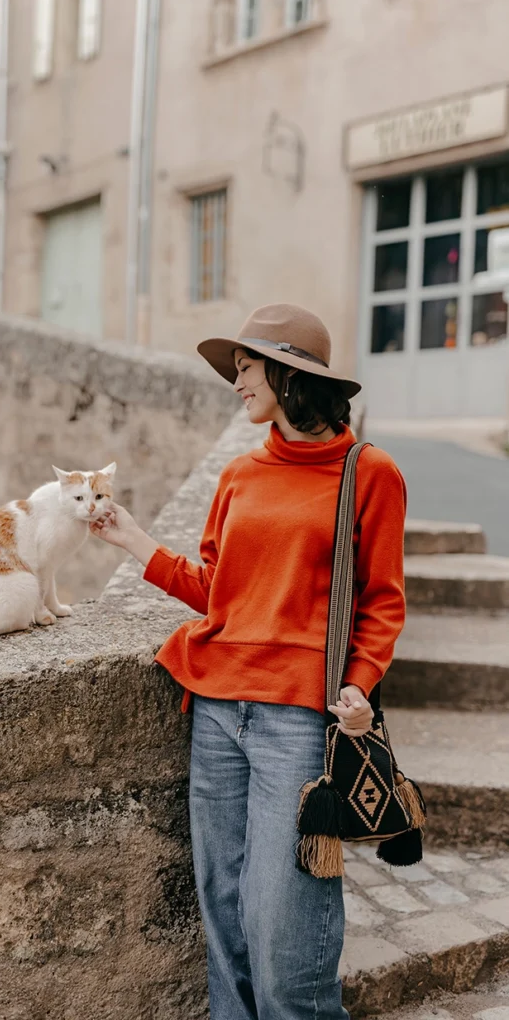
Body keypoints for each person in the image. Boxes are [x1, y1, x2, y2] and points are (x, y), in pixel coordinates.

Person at [91, 303, 407, 1020]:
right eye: (234, 370)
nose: (236, 382)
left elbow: (382, 601)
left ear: (289, 374)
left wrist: (358, 685)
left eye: (246, 367)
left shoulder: (368, 473)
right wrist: (135, 540)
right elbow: (215, 590)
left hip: (298, 720)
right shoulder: (237, 474)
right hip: (214, 709)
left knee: (283, 923)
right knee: (225, 908)